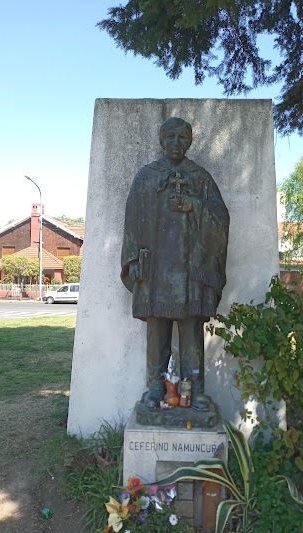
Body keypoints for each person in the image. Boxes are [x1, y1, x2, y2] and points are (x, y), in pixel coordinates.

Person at [121, 117, 229, 411]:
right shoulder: (146, 177)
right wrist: (132, 260)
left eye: (183, 137)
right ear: (161, 141)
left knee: (192, 329)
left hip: (192, 269)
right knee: (157, 329)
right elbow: (132, 220)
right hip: (155, 267)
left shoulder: (201, 178)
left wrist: (194, 205)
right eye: (171, 137)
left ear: (190, 142)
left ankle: (194, 390)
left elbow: (221, 218)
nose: (176, 143)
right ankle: (156, 388)